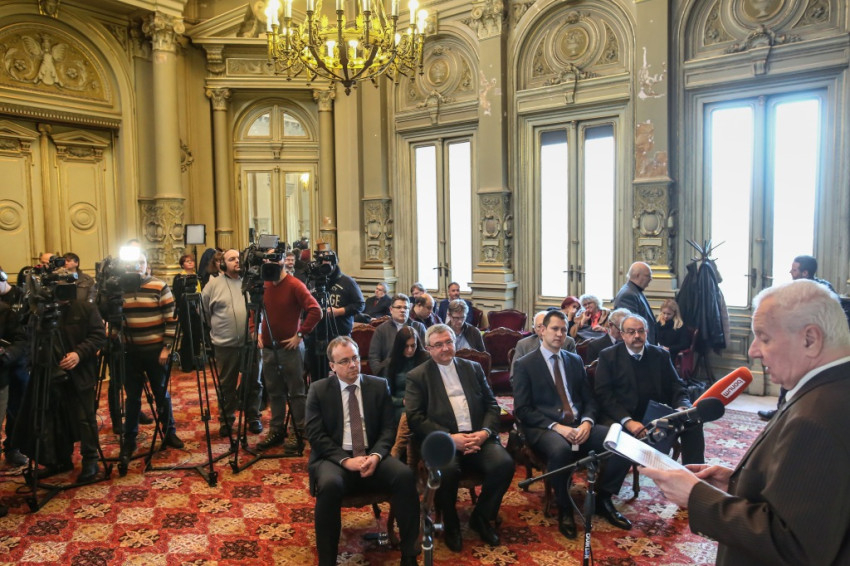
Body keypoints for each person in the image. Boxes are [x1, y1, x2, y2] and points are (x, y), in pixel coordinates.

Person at [641, 280, 850, 566]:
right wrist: (738, 483)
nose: (753, 351)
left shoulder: (817, 417)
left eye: (764, 337)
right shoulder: (832, 389)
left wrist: (695, 496)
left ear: (810, 340)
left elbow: (793, 545)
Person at [512, 310, 633, 538]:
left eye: (563, 330)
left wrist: (587, 422)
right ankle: (565, 508)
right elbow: (523, 410)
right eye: (554, 329)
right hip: (545, 427)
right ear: (542, 330)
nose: (559, 334)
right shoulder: (525, 364)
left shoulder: (574, 360)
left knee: (621, 442)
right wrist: (558, 427)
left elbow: (589, 399)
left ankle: (603, 498)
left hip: (579, 423)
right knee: (561, 450)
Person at [305, 336, 420, 566]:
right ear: (332, 366)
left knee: (405, 476)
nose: (352, 365)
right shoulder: (319, 390)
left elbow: (388, 429)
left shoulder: (378, 385)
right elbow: (316, 435)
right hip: (335, 458)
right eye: (345, 361)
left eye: (355, 358)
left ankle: (409, 555)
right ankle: (327, 561)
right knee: (329, 485)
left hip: (372, 453)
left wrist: (376, 456)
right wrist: (345, 461)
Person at [405, 324, 515, 551]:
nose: (445, 348)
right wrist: (449, 438)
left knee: (504, 464)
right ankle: (452, 524)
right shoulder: (417, 376)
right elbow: (415, 418)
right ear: (428, 348)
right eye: (438, 345)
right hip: (444, 441)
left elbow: (492, 405)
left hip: (478, 436)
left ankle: (481, 517)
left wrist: (484, 433)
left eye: (449, 342)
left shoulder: (472, 368)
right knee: (446, 471)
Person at [594, 313, 704, 464]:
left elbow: (677, 385)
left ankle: (694, 471)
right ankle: (614, 480)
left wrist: (682, 407)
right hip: (626, 414)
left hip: (658, 415)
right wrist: (628, 421)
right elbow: (604, 395)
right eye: (631, 332)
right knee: (617, 435)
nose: (637, 336)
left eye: (641, 331)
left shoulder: (660, 354)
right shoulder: (609, 356)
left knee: (693, 422)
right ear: (622, 335)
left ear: (646, 333)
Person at [119, 250, 183, 462]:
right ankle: (130, 438)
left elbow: (172, 320)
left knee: (161, 393)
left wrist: (167, 348)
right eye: (133, 262)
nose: (138, 266)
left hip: (155, 351)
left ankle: (169, 431)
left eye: (141, 262)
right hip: (129, 351)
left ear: (147, 265)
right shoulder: (119, 288)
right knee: (132, 397)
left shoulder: (159, 286)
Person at [257, 250, 322, 453]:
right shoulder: (265, 284)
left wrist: (300, 334)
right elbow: (254, 310)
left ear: (284, 261)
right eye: (267, 259)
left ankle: (298, 431)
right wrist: (254, 331)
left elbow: (316, 311)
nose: (271, 263)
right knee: (274, 392)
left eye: (275, 259)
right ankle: (276, 430)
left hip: (290, 349)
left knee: (296, 393)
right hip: (268, 348)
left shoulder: (295, 285)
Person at [759, 254, 835, 420]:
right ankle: (781, 412)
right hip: (796, 343)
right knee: (788, 376)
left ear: (805, 273)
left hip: (817, 347)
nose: (791, 272)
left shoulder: (822, 292)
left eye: (794, 270)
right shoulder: (793, 291)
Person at [201, 249, 263, 437]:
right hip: (225, 344)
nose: (237, 261)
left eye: (238, 258)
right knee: (226, 384)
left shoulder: (252, 282)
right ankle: (226, 420)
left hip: (251, 342)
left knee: (254, 382)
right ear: (222, 264)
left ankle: (253, 417)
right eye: (231, 259)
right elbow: (204, 312)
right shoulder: (213, 285)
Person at [367, 294, 425, 377]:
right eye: (399, 307)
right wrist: (380, 374)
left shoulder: (418, 327)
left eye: (405, 308)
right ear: (391, 309)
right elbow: (374, 357)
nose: (403, 310)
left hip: (415, 373)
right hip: (389, 374)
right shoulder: (381, 330)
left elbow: (424, 354)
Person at [510, 310, 576, 377]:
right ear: (534, 329)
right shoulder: (523, 345)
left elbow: (575, 373)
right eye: (539, 326)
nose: (543, 330)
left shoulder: (568, 342)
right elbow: (514, 375)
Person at [171, 253, 203, 372]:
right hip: (185, 309)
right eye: (187, 261)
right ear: (182, 264)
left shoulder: (197, 276)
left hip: (197, 308)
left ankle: (196, 361)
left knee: (197, 335)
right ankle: (187, 363)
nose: (190, 262)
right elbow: (178, 294)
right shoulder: (179, 277)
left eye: (191, 261)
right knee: (188, 335)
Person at [613, 262, 656, 344]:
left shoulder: (635, 291)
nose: (651, 279)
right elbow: (632, 328)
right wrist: (648, 348)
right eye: (648, 276)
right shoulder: (628, 295)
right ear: (637, 275)